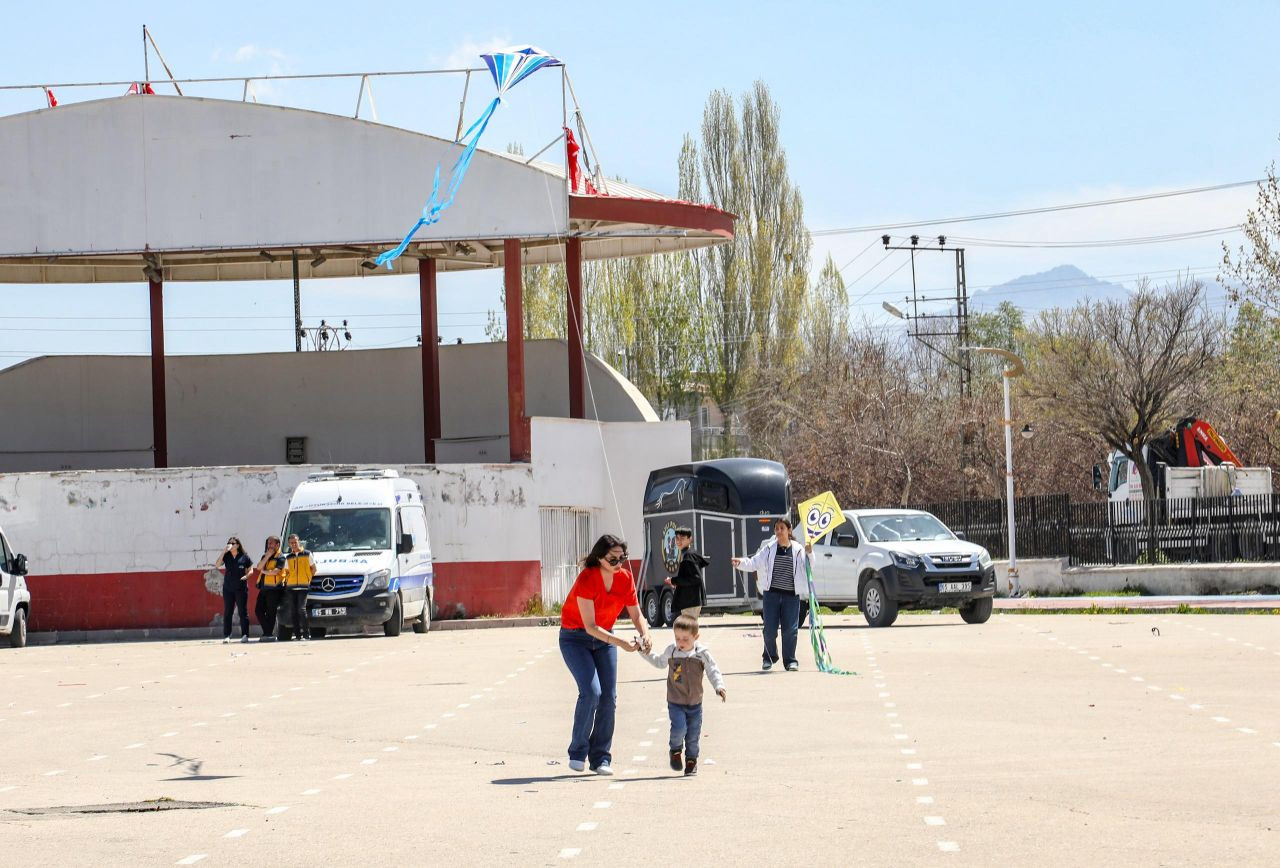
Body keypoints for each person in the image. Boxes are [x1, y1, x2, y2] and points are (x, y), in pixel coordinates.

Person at [559, 534, 653, 775]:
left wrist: (645, 633)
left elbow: (636, 614)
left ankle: (601, 757)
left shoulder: (625, 578)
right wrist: (622, 642)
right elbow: (590, 626)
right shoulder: (587, 579)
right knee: (591, 692)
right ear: (599, 558)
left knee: (608, 698)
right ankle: (578, 752)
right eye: (613, 559)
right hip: (575, 638)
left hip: (605, 641)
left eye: (622, 558)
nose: (618, 563)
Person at [638, 614, 726, 776]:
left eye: (685, 639)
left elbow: (713, 670)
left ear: (696, 637)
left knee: (693, 734)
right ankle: (675, 750)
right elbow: (659, 662)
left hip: (695, 703)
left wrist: (719, 686)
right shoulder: (672, 651)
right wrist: (643, 652)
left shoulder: (701, 653)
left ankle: (692, 761)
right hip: (675, 701)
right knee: (679, 728)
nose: (681, 643)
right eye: (677, 638)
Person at [732, 518, 812, 672]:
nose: (778, 532)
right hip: (771, 595)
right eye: (776, 529)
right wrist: (740, 563)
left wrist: (810, 553)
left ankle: (790, 661)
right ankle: (769, 657)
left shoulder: (798, 549)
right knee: (769, 629)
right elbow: (754, 562)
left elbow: (809, 566)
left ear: (789, 531)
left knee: (790, 630)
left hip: (791, 596)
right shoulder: (769, 548)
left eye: (782, 528)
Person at [213, 537, 253, 643]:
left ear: (238, 545)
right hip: (228, 588)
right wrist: (223, 551)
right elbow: (217, 565)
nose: (230, 544)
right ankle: (227, 635)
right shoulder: (226, 556)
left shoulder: (244, 557)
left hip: (241, 588)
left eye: (233, 543)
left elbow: (251, 570)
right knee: (228, 612)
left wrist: (247, 576)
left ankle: (245, 635)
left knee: (242, 612)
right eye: (229, 543)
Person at [665, 527, 709, 619]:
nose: (679, 541)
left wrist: (674, 580)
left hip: (690, 601)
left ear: (690, 539)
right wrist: (675, 582)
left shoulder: (688, 555)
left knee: (688, 631)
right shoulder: (689, 553)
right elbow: (690, 578)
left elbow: (696, 578)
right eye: (677, 538)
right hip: (690, 600)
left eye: (682, 538)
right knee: (689, 630)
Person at [252, 536, 287, 642]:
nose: (269, 545)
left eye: (271, 543)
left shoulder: (281, 557)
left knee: (271, 612)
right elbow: (258, 567)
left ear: (277, 545)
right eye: (268, 543)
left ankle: (267, 633)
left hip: (275, 589)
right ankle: (267, 632)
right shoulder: (265, 556)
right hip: (264, 588)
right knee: (258, 610)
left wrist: (264, 571)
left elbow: (276, 572)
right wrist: (267, 556)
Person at [282, 533, 316, 641]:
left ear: (299, 541)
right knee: (293, 611)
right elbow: (286, 572)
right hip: (291, 587)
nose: (294, 544)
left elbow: (314, 569)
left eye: (295, 542)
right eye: (291, 543)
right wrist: (287, 581)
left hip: (303, 587)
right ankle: (297, 635)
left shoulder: (307, 554)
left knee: (301, 610)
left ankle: (306, 634)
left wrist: (307, 579)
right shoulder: (289, 557)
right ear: (289, 544)